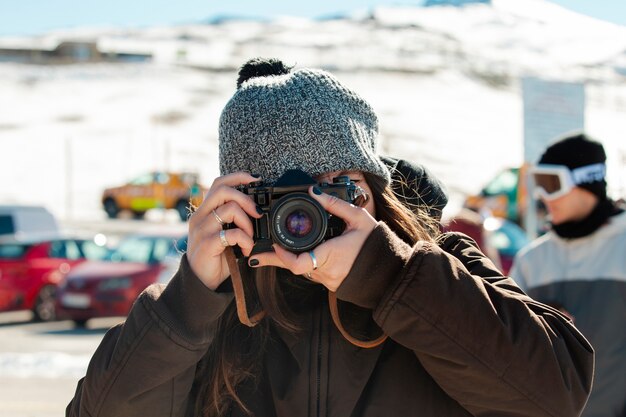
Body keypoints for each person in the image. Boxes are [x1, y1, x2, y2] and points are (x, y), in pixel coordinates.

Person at [67, 58, 593, 417]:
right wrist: (188, 300)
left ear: (373, 190)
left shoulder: (436, 268)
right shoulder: (214, 306)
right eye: (279, 197)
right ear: (235, 199)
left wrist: (392, 278)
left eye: (336, 189)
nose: (304, 219)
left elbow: (556, 395)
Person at [510, 133, 626, 417]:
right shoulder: (532, 260)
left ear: (587, 181)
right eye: (538, 184)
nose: (542, 196)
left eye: (551, 184)